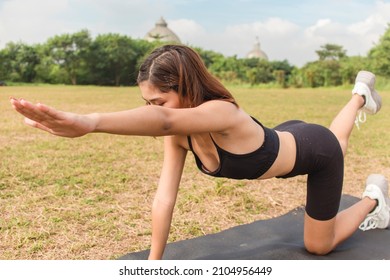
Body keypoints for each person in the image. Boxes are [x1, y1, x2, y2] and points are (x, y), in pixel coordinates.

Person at [10, 44, 390, 260]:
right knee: (333, 140)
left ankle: (374, 198)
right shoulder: (180, 135)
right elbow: (164, 197)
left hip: (313, 152)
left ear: (186, 88)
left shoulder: (223, 112)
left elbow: (164, 123)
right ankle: (359, 95)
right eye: (148, 102)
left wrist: (89, 122)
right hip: (285, 138)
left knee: (318, 240)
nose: (154, 109)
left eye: (159, 100)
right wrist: (154, 265)